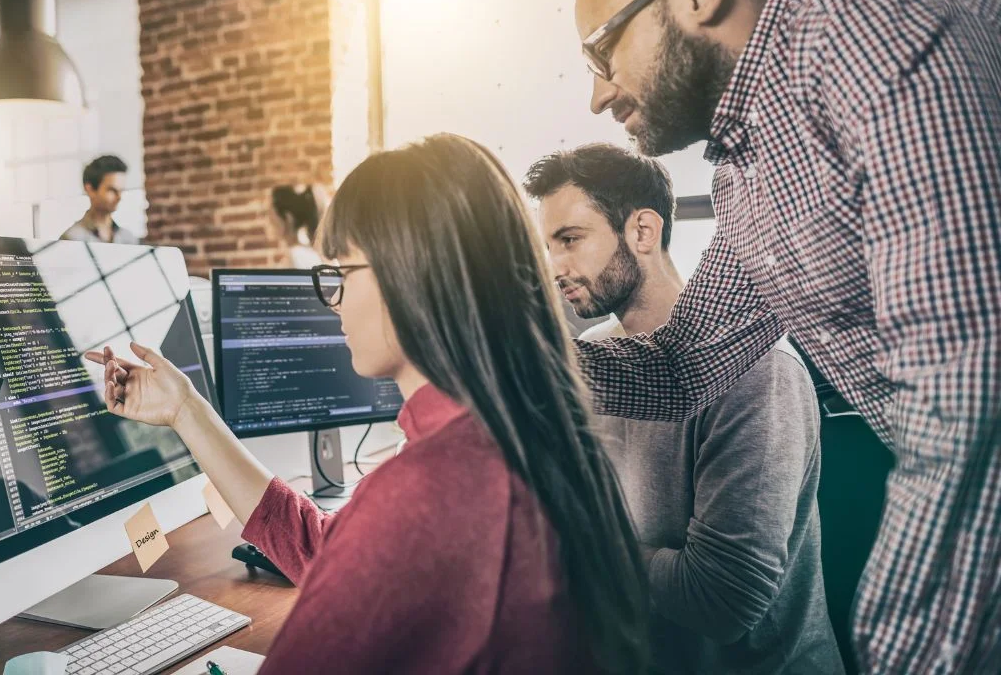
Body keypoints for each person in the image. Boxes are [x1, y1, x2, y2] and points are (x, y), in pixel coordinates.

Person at [562, 0, 1001, 671]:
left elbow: (970, 402)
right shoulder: (747, 174)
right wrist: (499, 354)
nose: (598, 95)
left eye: (602, 49)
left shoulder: (877, 37)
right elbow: (684, 367)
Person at [86, 133, 649, 673]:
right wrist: (185, 409)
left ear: (412, 276)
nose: (333, 302)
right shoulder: (529, 432)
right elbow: (329, 554)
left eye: (341, 273)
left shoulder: (428, 490)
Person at [526, 143, 842, 673]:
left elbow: (720, 600)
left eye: (571, 240)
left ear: (643, 231)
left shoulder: (758, 369)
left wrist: (576, 547)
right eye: (548, 246)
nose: (555, 266)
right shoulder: (597, 355)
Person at [61, 155, 139, 244]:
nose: (119, 197)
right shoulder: (71, 238)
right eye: (112, 190)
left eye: (121, 190)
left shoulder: (129, 238)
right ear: (90, 190)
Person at [268, 184, 325, 267]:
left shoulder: (296, 257)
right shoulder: (304, 254)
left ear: (288, 218)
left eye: (271, 216)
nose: (269, 221)